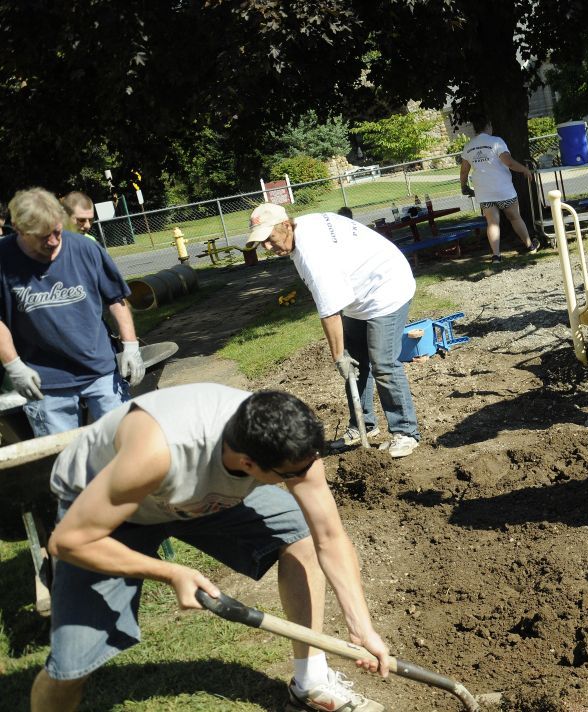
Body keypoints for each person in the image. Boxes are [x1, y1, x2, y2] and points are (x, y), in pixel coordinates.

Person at [30, 384, 390, 712]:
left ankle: (310, 681)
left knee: (302, 535)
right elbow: (67, 541)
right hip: (110, 512)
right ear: (248, 464)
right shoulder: (158, 451)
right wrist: (171, 572)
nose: (306, 476)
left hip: (198, 498)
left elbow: (328, 536)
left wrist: (361, 626)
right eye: (291, 474)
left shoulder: (287, 441)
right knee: (71, 665)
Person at [245, 203, 420, 458]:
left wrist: (338, 357)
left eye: (270, 239)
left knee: (382, 362)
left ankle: (406, 432)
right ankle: (363, 425)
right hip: (359, 291)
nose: (268, 247)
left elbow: (330, 313)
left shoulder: (313, 254)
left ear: (285, 225)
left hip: (387, 287)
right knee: (356, 362)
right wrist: (345, 356)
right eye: (263, 242)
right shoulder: (300, 230)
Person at [0, 187, 144, 437]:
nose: (53, 241)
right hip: (44, 382)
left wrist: (131, 346)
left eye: (57, 231)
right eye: (43, 236)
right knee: (64, 456)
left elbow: (116, 299)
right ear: (20, 230)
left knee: (123, 442)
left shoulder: (84, 249)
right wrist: (14, 366)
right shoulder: (4, 259)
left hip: (100, 370)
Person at [460, 123, 540, 263]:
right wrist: (524, 169)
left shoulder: (469, 146)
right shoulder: (496, 141)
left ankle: (496, 256)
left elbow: (464, 171)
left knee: (492, 223)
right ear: (488, 126)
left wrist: (463, 186)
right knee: (515, 217)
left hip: (483, 191)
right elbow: (509, 162)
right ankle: (530, 246)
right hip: (503, 188)